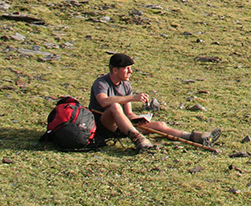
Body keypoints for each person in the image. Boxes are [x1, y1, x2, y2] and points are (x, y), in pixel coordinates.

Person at [89, 53, 220, 152]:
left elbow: (128, 113)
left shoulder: (126, 86)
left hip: (122, 126)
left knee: (160, 125)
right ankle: (138, 139)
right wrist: (131, 98)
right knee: (115, 106)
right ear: (115, 70)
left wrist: (139, 119)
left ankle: (195, 137)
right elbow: (103, 102)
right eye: (127, 68)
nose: (130, 72)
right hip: (103, 125)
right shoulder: (101, 83)